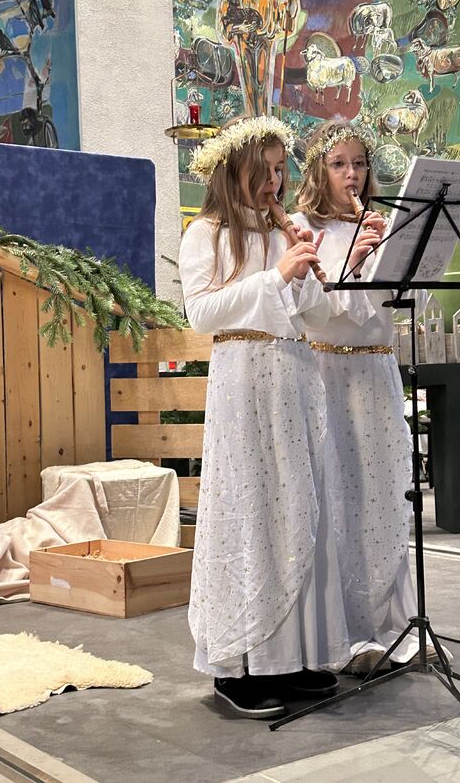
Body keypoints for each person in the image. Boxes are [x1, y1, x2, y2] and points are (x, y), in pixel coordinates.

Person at [178, 115, 352, 720]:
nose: (276, 183)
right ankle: (239, 664)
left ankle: (292, 657)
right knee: (251, 512)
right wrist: (275, 276)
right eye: (265, 171)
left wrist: (305, 274)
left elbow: (317, 314)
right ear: (234, 171)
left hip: (293, 378)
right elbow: (201, 313)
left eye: (281, 170)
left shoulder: (285, 229)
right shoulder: (205, 232)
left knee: (298, 510)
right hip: (243, 381)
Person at [292, 121, 420, 674]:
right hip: (329, 373)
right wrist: (358, 262)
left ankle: (392, 622)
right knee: (338, 498)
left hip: (378, 371)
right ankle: (342, 633)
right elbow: (315, 307)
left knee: (384, 494)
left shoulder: (380, 224)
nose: (352, 174)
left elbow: (403, 304)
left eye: (360, 164)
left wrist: (396, 258)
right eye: (339, 164)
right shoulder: (302, 227)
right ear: (318, 170)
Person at [217, 0, 297, 116]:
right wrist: (240, 28)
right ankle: (252, 120)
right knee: (249, 86)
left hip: (263, 47)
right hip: (244, 45)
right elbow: (224, 23)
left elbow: (289, 14)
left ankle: (262, 120)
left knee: (262, 87)